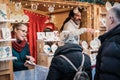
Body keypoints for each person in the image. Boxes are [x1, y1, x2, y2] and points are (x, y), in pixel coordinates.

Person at [94, 5, 120, 80]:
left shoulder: (112, 43)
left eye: (106, 20)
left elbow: (108, 75)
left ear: (111, 19)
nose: (105, 23)